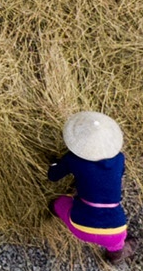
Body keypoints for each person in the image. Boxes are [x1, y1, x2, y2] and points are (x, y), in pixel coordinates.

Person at [48, 111, 132, 260]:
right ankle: (115, 254)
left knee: (58, 203)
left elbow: (53, 176)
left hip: (82, 225)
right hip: (116, 230)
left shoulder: (74, 159)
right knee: (116, 244)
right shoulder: (119, 159)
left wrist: (55, 163)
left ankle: (52, 213)